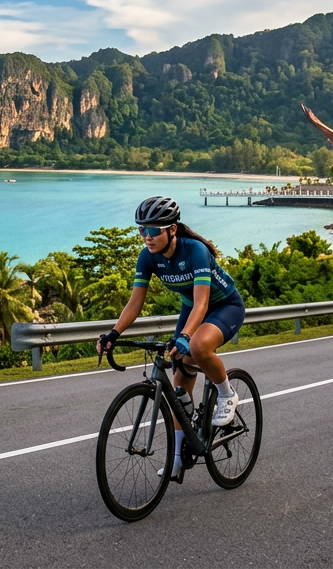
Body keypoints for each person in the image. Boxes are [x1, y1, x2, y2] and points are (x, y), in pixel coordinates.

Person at [96, 195, 246, 480]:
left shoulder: (196, 251)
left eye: (154, 230)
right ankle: (177, 458)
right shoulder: (147, 257)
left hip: (224, 306)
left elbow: (202, 303)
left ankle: (227, 394)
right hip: (192, 310)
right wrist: (114, 333)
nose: (147, 237)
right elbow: (135, 302)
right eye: (142, 230)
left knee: (199, 347)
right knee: (178, 390)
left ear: (172, 230)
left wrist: (186, 336)